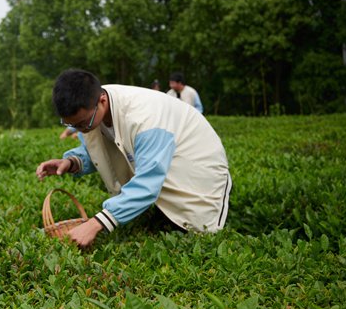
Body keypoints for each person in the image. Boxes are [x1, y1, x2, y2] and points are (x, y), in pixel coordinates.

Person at [36, 69, 231, 248]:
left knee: (196, 231)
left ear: (101, 101)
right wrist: (71, 162)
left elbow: (148, 182)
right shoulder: (95, 108)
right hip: (164, 159)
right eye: (71, 125)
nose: (80, 130)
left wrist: (96, 224)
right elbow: (103, 147)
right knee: (159, 220)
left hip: (196, 166)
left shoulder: (145, 119)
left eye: (82, 123)